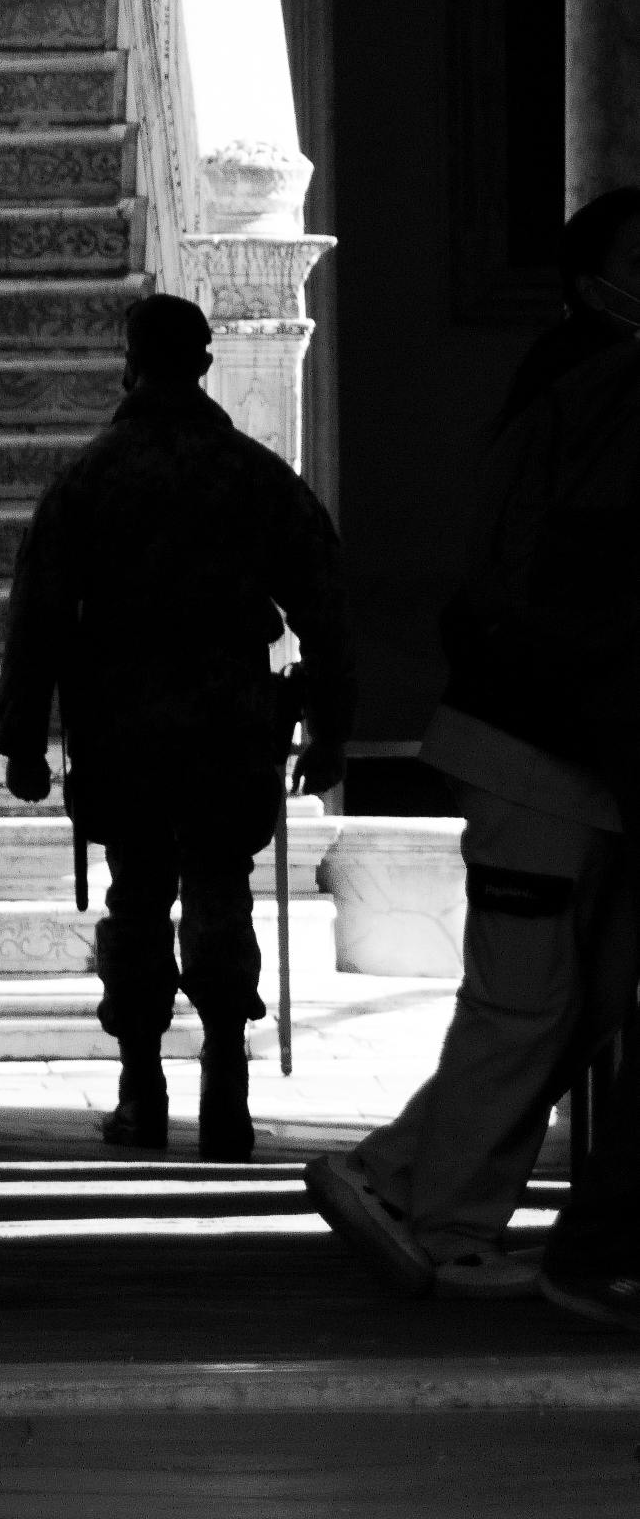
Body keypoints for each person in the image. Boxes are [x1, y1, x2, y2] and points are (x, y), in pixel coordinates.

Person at [308, 189, 640, 1310]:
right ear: (597, 279)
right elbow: (571, 591)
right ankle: (443, 1218)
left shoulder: (575, 383)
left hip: (552, 744)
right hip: (544, 744)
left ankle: (401, 1174)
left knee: (569, 998)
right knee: (531, 999)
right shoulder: (600, 393)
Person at [0, 293, 351, 1160]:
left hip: (121, 721)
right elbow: (326, 603)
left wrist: (22, 739)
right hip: (229, 718)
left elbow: (37, 612)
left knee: (138, 894)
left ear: (129, 362)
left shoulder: (89, 476)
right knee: (221, 888)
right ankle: (224, 1090)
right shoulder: (252, 474)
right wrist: (331, 725)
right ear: (203, 363)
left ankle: (140, 1091)